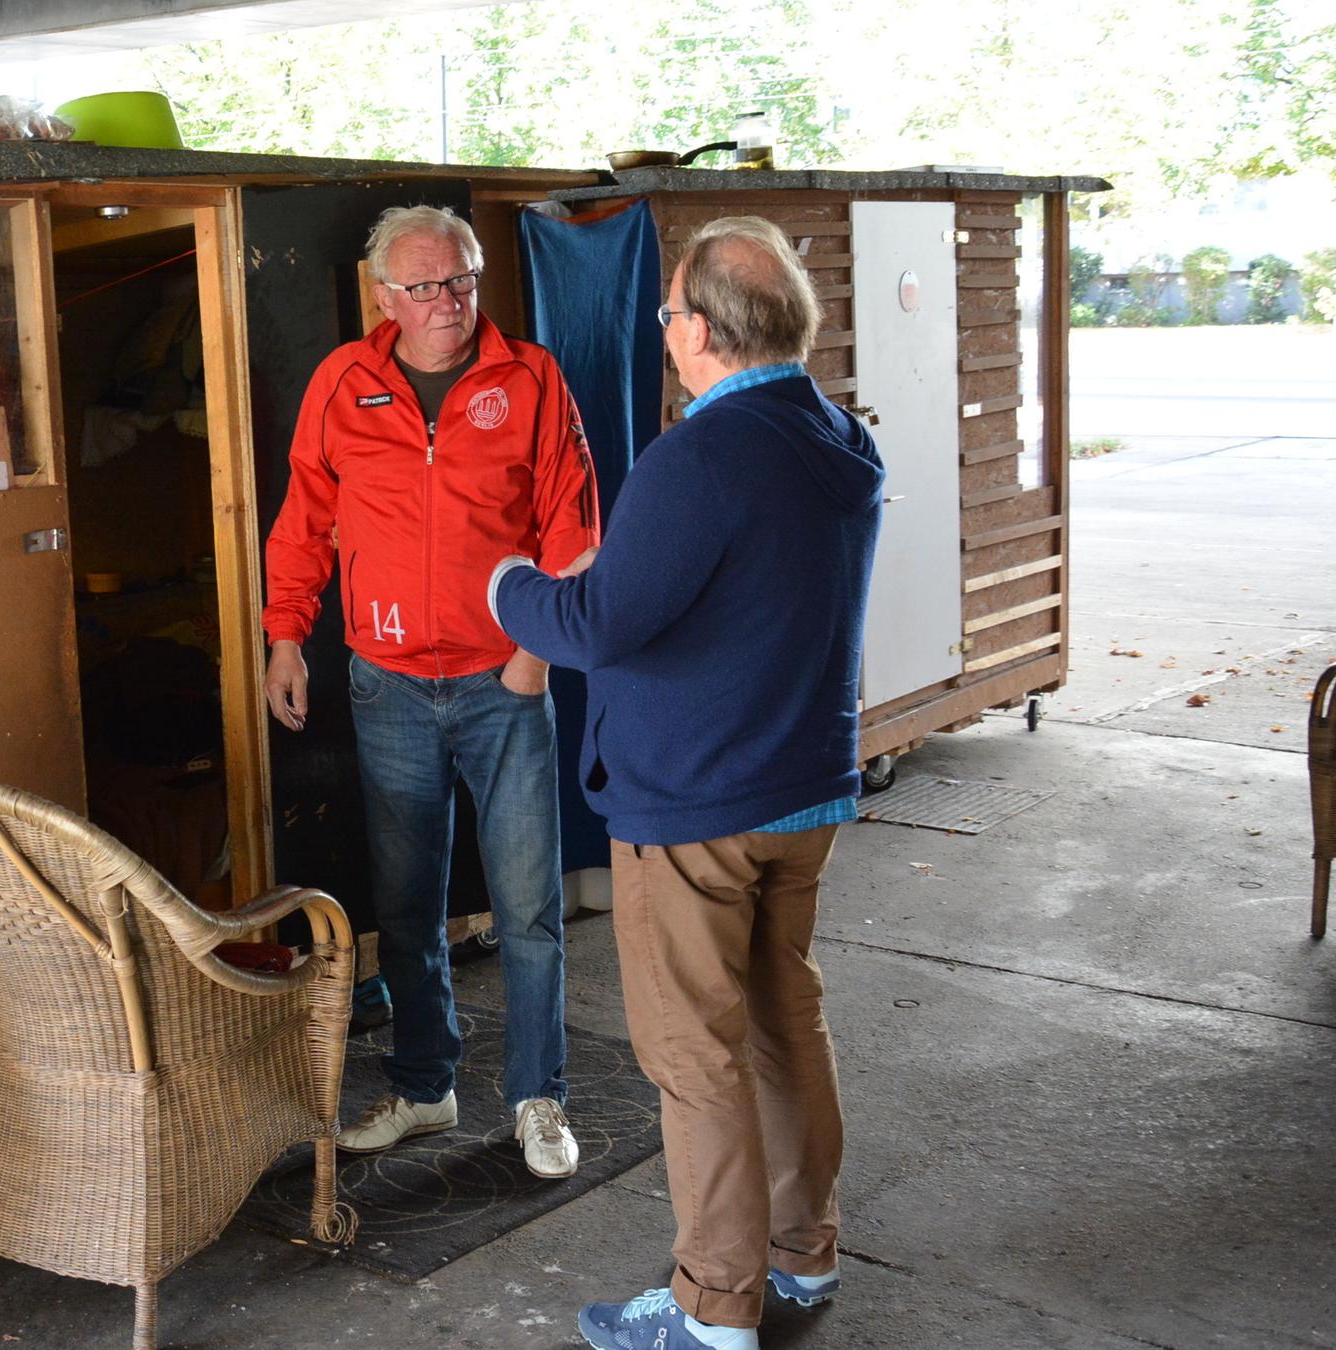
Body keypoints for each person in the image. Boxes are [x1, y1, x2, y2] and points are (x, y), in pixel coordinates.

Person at [486, 215, 884, 1350]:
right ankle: (803, 1258)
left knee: (693, 1059)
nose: (663, 331)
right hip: (801, 792)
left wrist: (513, 588)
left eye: (667, 314)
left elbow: (600, 619)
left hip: (699, 808)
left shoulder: (700, 456)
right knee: (780, 1028)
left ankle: (714, 1310)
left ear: (698, 330)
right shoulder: (836, 436)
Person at [262, 203, 601, 1178]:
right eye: (423, 287)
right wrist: (287, 636)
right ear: (384, 297)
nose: (447, 302)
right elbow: (302, 520)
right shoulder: (345, 382)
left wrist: (533, 657)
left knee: (528, 905)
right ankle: (424, 1085)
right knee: (406, 904)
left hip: (505, 682)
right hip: (390, 685)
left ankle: (539, 1096)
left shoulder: (530, 377)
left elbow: (573, 528)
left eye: (459, 280)